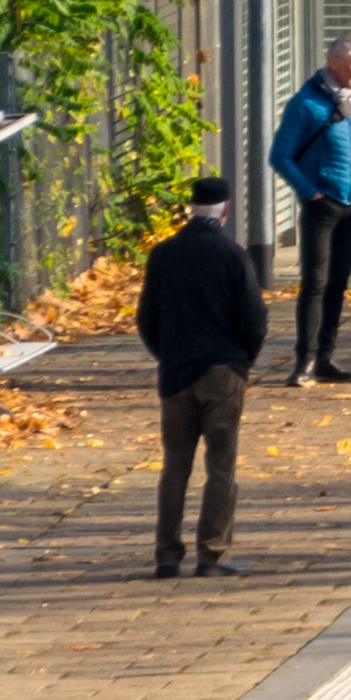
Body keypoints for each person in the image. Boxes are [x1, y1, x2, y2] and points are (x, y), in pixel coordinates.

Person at [137, 173, 263, 578]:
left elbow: (146, 320)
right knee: (221, 467)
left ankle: (166, 555)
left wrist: (167, 354)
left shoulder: (163, 254)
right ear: (225, 210)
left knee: (175, 465)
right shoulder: (232, 255)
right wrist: (243, 362)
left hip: (175, 373)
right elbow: (254, 319)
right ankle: (212, 553)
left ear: (191, 208)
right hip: (222, 371)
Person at [268, 38, 351, 384]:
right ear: (334, 63)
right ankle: (303, 362)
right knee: (315, 283)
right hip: (323, 206)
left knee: (338, 284)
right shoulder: (305, 104)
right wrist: (310, 193)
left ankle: (325, 359)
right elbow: (280, 156)